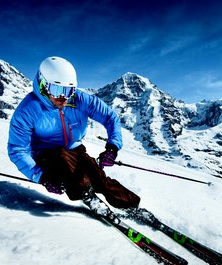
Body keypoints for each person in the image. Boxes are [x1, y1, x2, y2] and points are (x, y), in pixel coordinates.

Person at [7, 56, 140, 209]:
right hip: (45, 155)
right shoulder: (29, 109)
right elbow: (17, 149)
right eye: (57, 90)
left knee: (99, 179)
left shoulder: (79, 100)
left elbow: (110, 117)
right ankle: (85, 194)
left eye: (69, 90)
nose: (63, 97)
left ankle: (132, 206)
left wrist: (112, 147)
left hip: (75, 150)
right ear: (43, 86)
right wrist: (41, 177)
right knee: (78, 183)